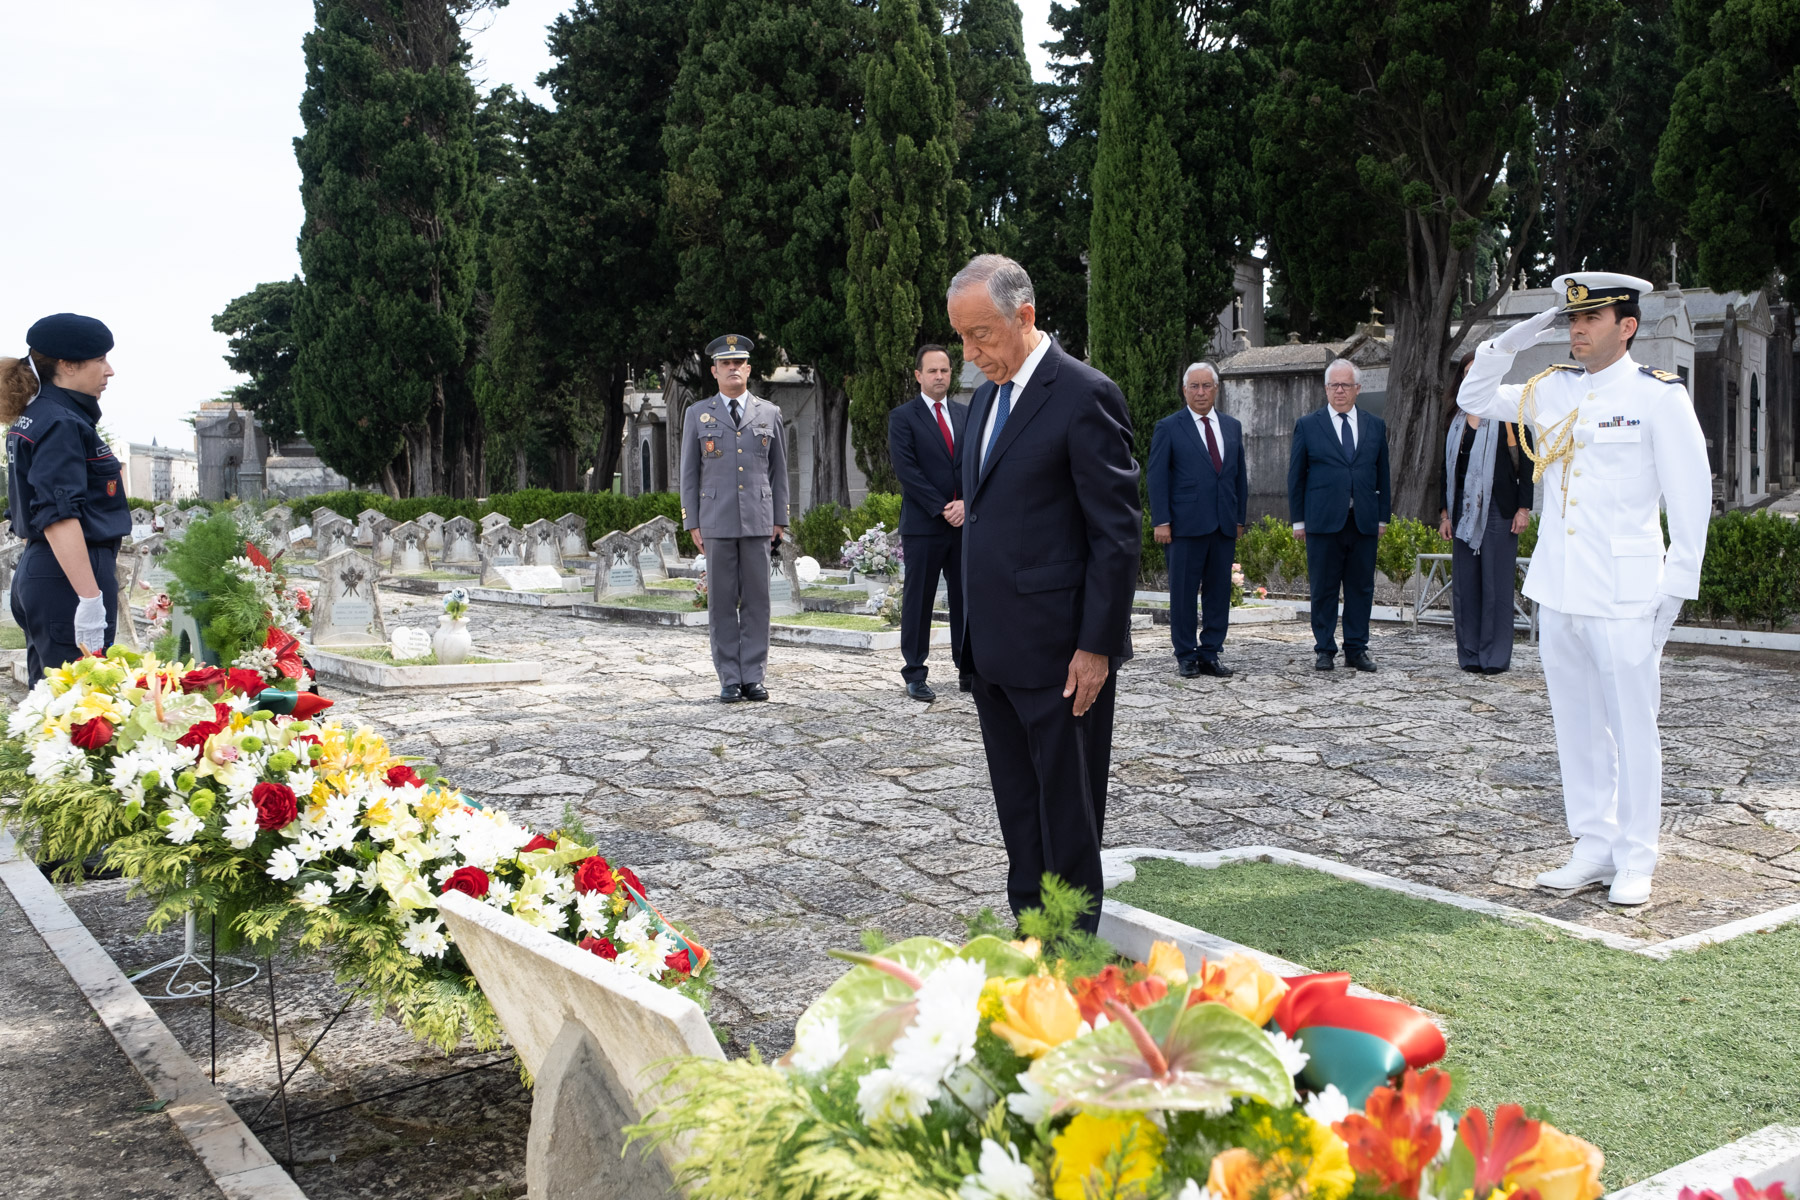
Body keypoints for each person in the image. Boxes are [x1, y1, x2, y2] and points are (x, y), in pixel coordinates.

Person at [1455, 272, 1710, 906]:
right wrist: (1523, 332)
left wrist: (1674, 593)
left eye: (1590, 319)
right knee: (1577, 726)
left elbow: (1691, 498)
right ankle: (1593, 846)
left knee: (1633, 726)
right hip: (1559, 586)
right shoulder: (1550, 390)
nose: (1577, 329)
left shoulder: (1658, 397)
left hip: (1626, 593)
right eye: (1572, 319)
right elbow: (1476, 395)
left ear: (1627, 326)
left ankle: (1636, 856)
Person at [949, 254, 1141, 932]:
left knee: (1067, 818)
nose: (972, 355)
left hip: (1062, 658)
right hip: (994, 652)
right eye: (962, 339)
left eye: (983, 336)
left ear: (1024, 317)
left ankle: (1072, 959)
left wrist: (1097, 646)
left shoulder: (1083, 393)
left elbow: (1115, 534)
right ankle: (1031, 942)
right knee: (1020, 816)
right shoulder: (982, 404)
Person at [2, 314, 130, 686]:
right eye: (100, 360)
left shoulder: (40, 416)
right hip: (69, 579)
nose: (110, 371)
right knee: (80, 706)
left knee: (53, 707)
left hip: (47, 570)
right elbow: (58, 515)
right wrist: (89, 599)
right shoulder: (60, 422)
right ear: (68, 364)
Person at [679, 334, 789, 703]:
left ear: (749, 369)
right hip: (716, 519)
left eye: (739, 362)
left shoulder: (769, 413)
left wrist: (780, 518)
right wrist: (692, 521)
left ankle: (753, 676)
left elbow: (780, 471)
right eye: (725, 363)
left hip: (758, 518)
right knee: (722, 602)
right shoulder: (698, 414)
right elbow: (689, 473)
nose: (733, 368)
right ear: (714, 371)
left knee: (758, 600)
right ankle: (729, 677)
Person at [1288, 358, 1391, 672]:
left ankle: (1357, 649)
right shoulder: (1308, 425)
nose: (1340, 390)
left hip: (1362, 521)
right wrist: (1298, 520)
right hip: (1322, 521)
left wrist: (1382, 517)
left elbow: (1382, 473)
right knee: (1324, 588)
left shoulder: (1375, 425)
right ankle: (1324, 649)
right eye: (1334, 385)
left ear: (1358, 389)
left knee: (1361, 587)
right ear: (1326, 388)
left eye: (1346, 385)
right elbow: (1296, 476)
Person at [1148, 361, 1247, 678]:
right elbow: (1157, 477)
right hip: (1184, 525)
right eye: (1194, 386)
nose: (1201, 392)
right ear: (1184, 390)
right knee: (1183, 593)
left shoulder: (1231, 427)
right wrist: (1161, 521)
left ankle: (1210, 652)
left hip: (1223, 523)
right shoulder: (1169, 427)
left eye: (1207, 386)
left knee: (1219, 592)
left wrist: (1239, 517)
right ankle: (1186, 654)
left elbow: (1238, 477)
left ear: (1216, 389)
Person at [1438, 355, 1535, 674]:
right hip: (1462, 512)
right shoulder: (1456, 418)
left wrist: (1524, 508)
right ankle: (1469, 654)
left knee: (1496, 585)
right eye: (1467, 373)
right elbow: (1447, 469)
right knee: (1465, 587)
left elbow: (1528, 462)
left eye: (1477, 372)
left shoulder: (1509, 412)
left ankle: (1494, 658)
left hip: (1500, 511)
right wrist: (1444, 514)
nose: (1472, 378)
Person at [887, 344, 969, 701]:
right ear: (918, 375)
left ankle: (969, 668)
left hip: (965, 524)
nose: (940, 376)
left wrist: (966, 502)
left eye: (945, 370)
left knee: (967, 598)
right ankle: (915, 672)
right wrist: (942, 507)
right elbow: (907, 471)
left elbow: (976, 463)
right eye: (932, 371)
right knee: (919, 600)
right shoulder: (903, 417)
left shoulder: (967, 414)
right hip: (924, 525)